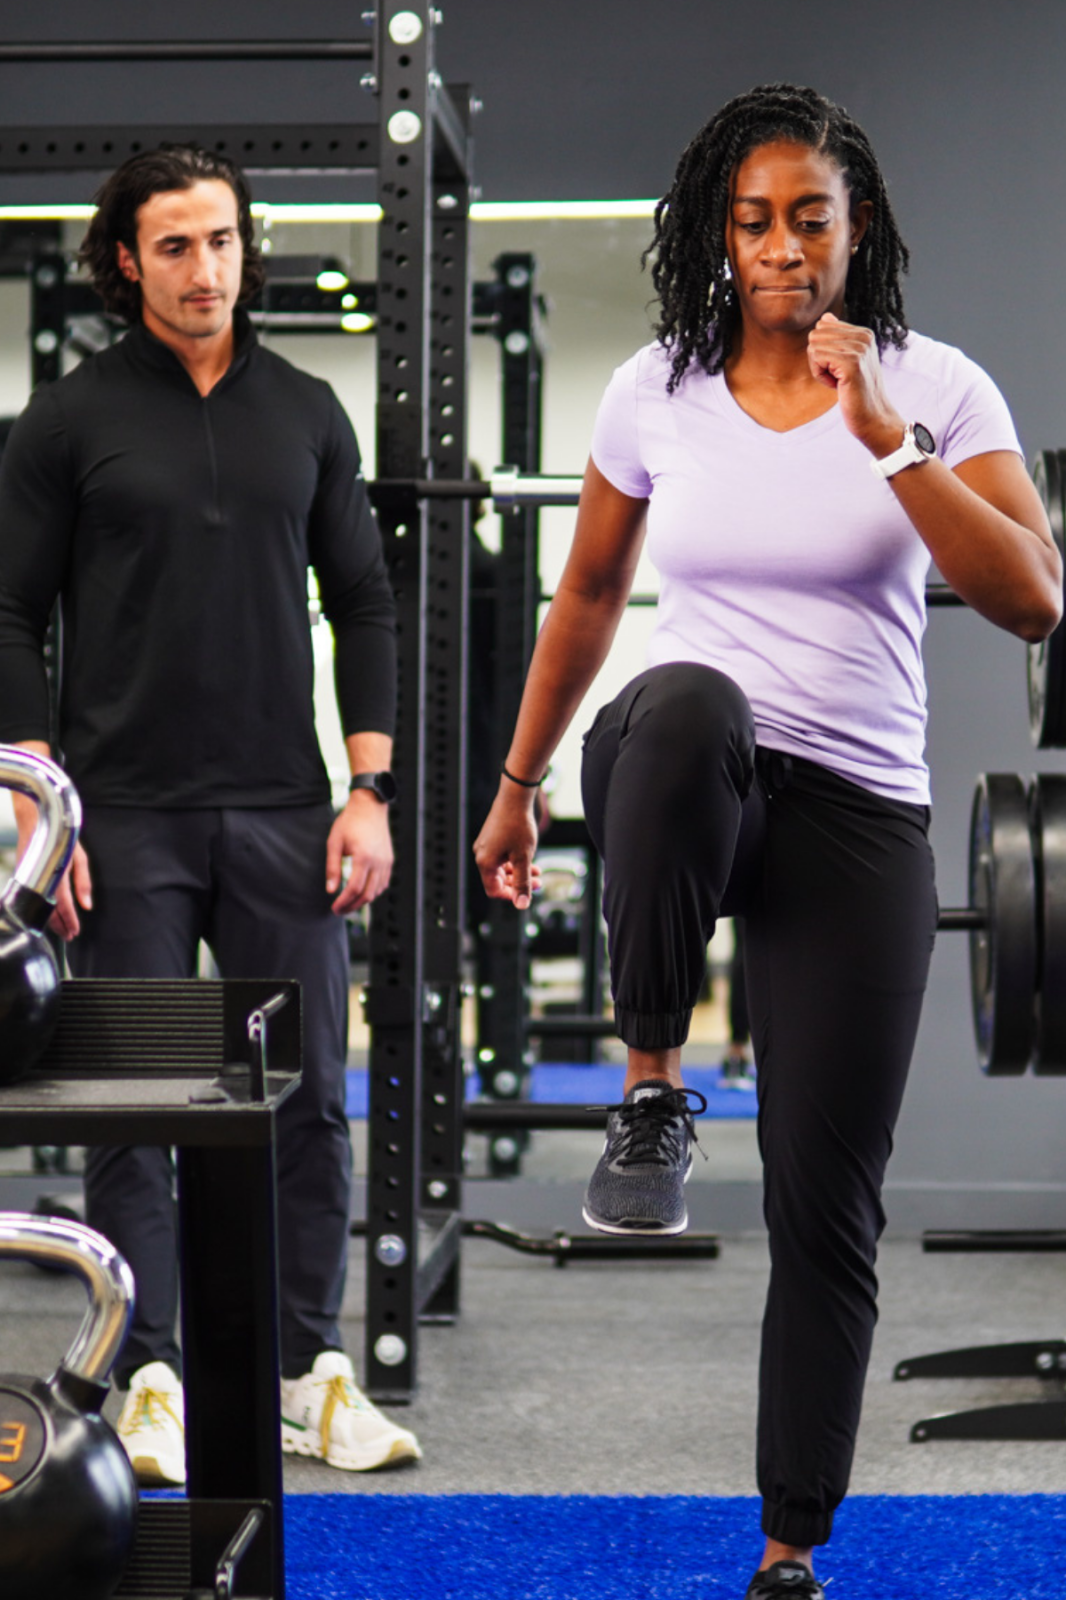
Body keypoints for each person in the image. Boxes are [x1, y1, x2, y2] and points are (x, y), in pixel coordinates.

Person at [474, 84, 1060, 1599]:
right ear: (715, 237)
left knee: (826, 1205)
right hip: (687, 778)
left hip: (855, 811)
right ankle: (652, 1089)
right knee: (685, 699)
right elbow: (587, 596)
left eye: (810, 218)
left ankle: (788, 1545)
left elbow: (1031, 597)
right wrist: (517, 783)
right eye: (754, 222)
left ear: (859, 231)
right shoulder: (653, 392)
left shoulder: (937, 386)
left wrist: (890, 444)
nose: (783, 247)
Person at [0, 145, 421, 1483]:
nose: (206, 269)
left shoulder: (306, 412)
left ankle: (307, 1373)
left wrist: (369, 791)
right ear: (127, 260)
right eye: (176, 246)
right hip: (121, 819)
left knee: (309, 1100)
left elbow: (365, 602)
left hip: (286, 812)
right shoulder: (65, 422)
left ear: (249, 247)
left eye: (224, 241)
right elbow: (8, 614)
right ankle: (153, 1378)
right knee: (131, 1104)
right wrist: (42, 819)